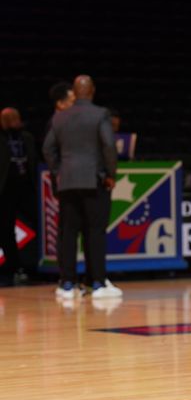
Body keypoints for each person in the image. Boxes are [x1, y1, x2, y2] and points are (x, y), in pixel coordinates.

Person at [43, 75, 122, 299]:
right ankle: (97, 283)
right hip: (93, 180)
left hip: (67, 182)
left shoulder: (59, 117)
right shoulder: (100, 114)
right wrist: (110, 174)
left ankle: (67, 283)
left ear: (75, 93)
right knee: (95, 231)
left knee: (68, 232)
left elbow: (48, 149)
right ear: (93, 90)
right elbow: (108, 145)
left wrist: (59, 171)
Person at [0, 107, 37, 284]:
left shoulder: (27, 138)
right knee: (6, 229)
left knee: (38, 223)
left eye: (15, 117)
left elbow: (34, 161)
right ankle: (14, 267)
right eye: (8, 119)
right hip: (6, 189)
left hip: (27, 187)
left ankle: (37, 264)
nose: (13, 121)